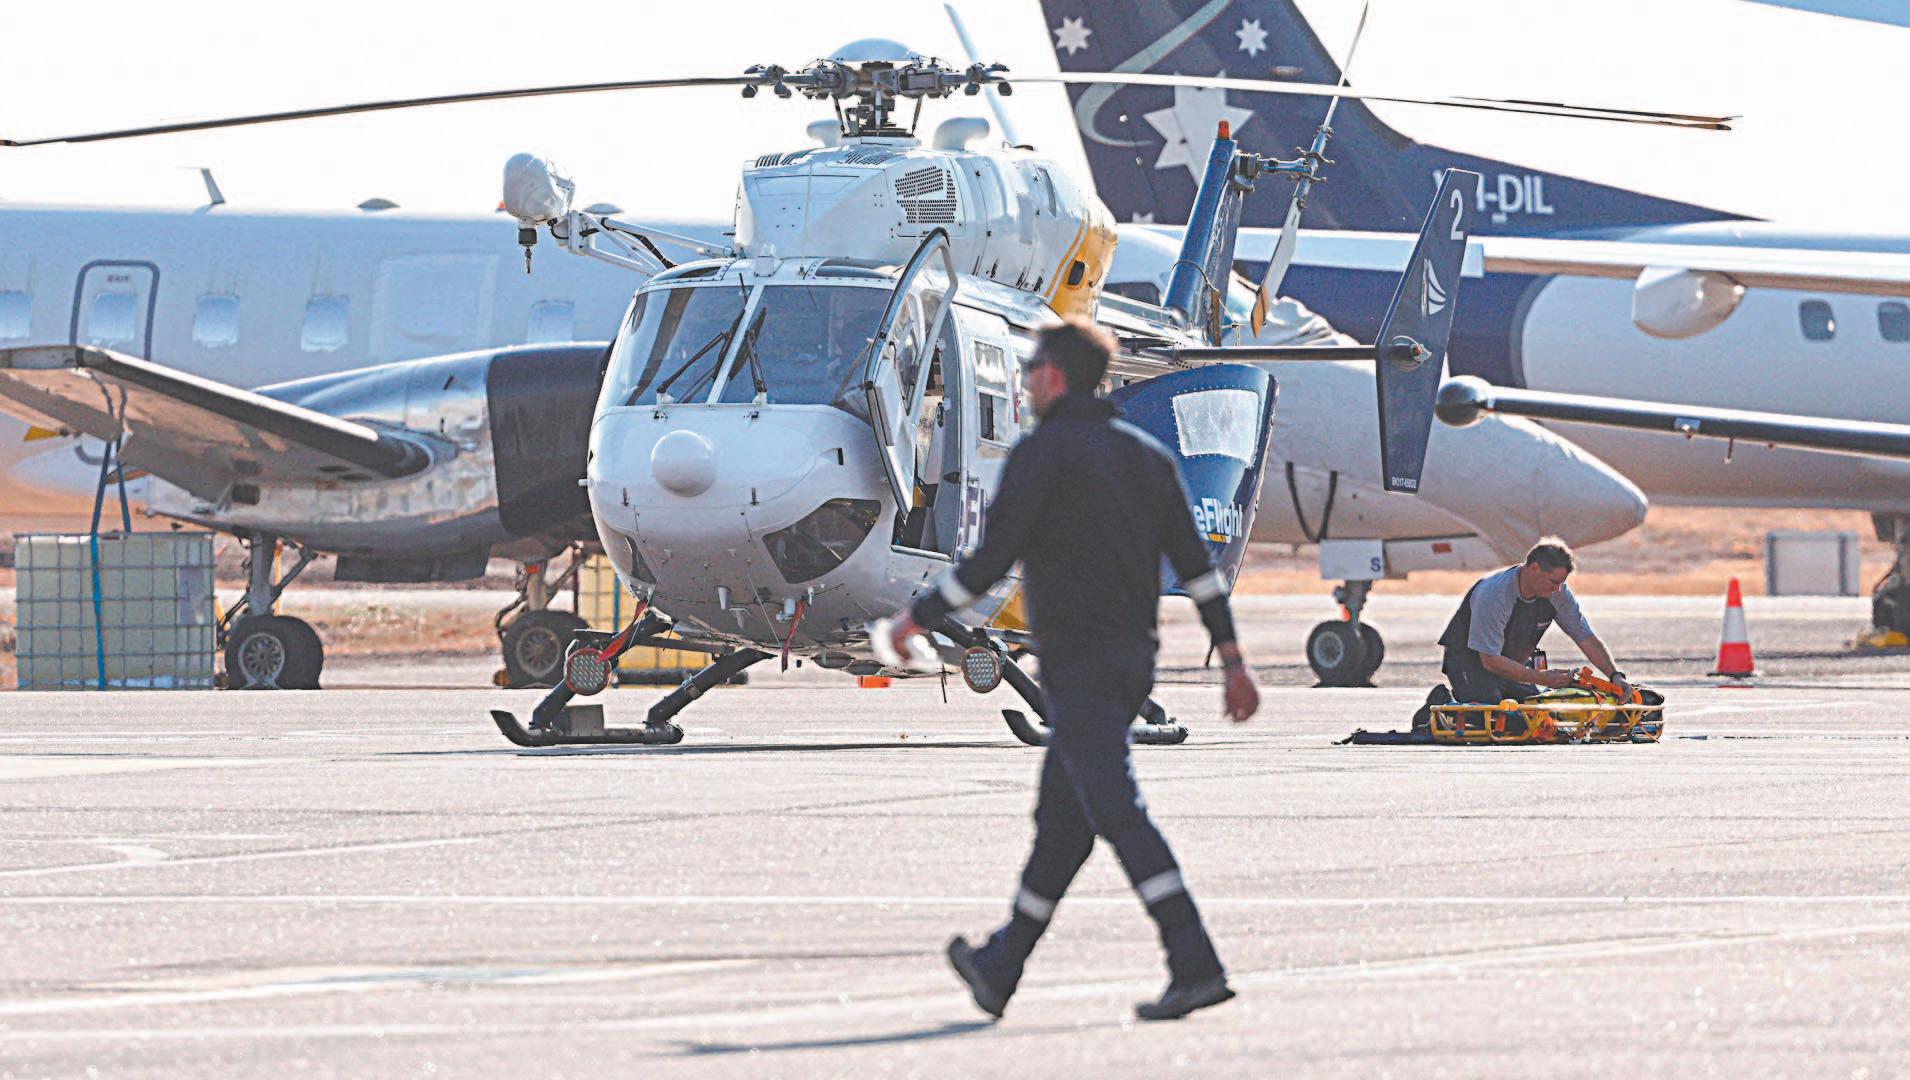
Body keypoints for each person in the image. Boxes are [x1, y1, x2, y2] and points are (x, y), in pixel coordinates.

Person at [882, 317, 1260, 1022]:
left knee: (1117, 810)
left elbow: (993, 559)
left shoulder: (1043, 453)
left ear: (1053, 378)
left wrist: (917, 616)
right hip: (1129, 665)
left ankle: (1196, 963)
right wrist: (1232, 659)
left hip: (1079, 666)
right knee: (1063, 825)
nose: (1024, 385)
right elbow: (1199, 571)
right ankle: (1001, 965)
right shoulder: (1148, 458)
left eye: (1030, 373)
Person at [1433, 537, 1629, 709]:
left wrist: (1614, 675)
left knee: (1538, 711)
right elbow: (1490, 660)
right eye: (1553, 582)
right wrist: (1542, 678)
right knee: (1496, 715)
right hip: (1471, 662)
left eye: (1561, 583)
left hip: (1512, 666)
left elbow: (1585, 637)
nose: (1558, 589)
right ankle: (1438, 705)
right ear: (1534, 568)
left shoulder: (1557, 592)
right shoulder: (1494, 594)